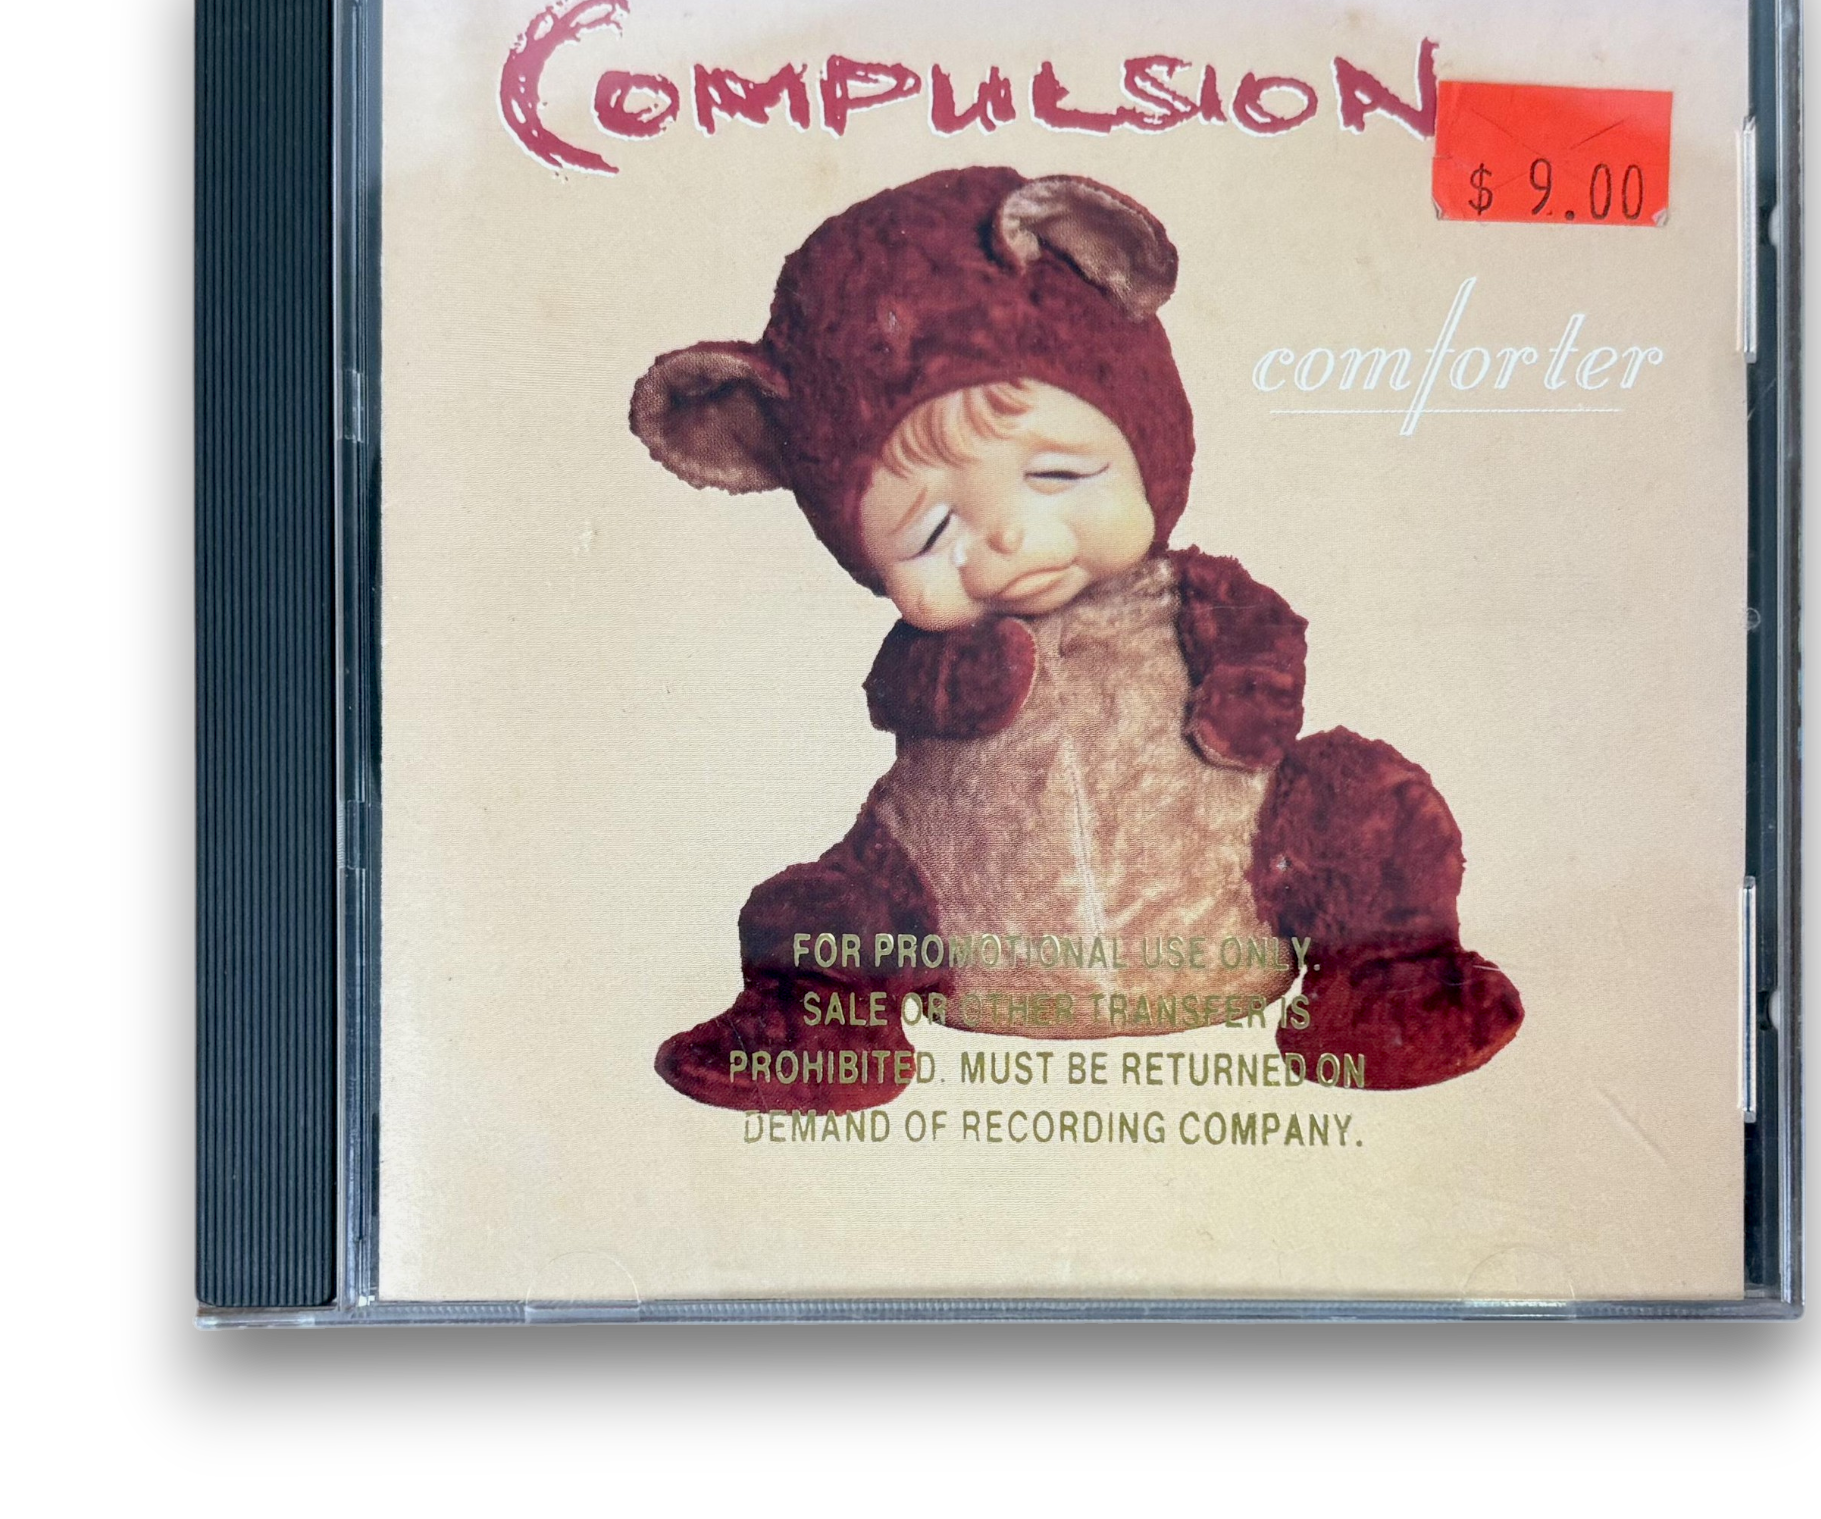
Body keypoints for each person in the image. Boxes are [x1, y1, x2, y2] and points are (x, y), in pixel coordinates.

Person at [631, 168, 1522, 1111]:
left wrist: (1248, 693)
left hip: (1233, 909)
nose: (1008, 538)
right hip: (973, 937)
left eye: (1056, 474)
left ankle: (1390, 981)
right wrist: (958, 681)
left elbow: (1267, 648)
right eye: (931, 532)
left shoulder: (1201, 599)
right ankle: (818, 1024)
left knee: (1365, 799)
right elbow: (896, 692)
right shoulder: (934, 651)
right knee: (829, 905)